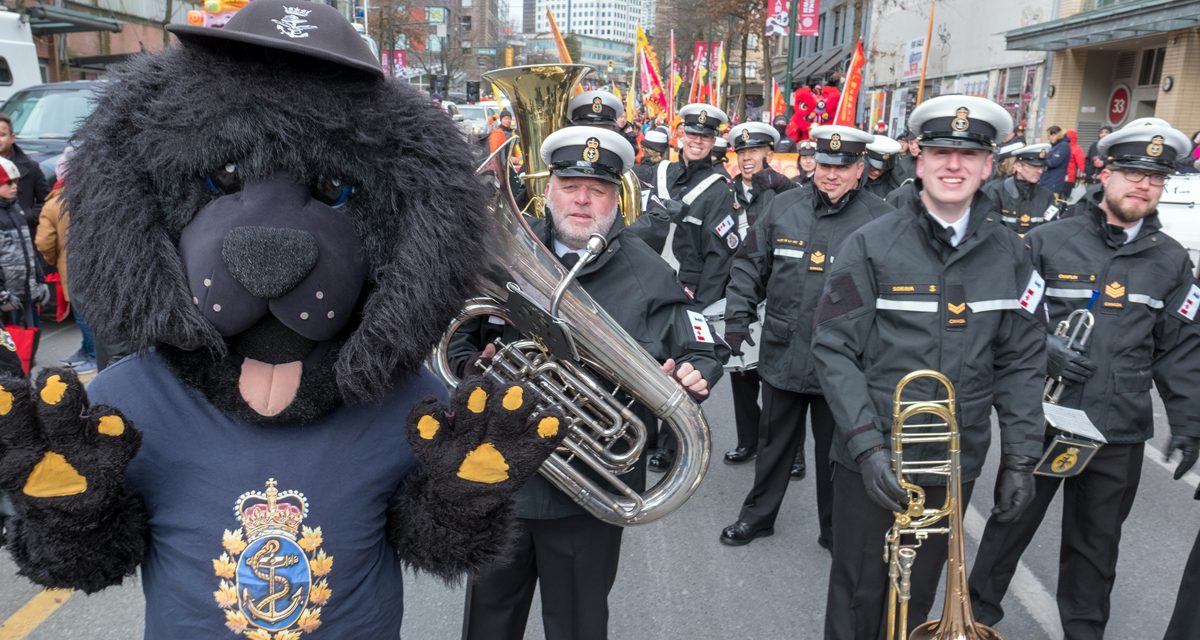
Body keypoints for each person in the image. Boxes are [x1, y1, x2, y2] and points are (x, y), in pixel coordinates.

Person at [457, 125, 725, 640]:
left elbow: (700, 341)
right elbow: (454, 336)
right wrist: (472, 374)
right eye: (570, 185)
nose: (582, 198)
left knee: (578, 626)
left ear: (615, 198)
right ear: (549, 189)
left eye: (597, 189)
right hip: (500, 480)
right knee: (487, 622)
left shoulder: (647, 271)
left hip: (589, 494)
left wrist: (697, 370)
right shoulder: (498, 252)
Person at [812, 95, 1046, 639]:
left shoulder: (1014, 255)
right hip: (872, 457)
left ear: (991, 165)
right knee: (857, 594)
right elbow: (833, 348)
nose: (953, 164)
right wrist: (866, 448)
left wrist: (1021, 457)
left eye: (970, 153)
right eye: (940, 150)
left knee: (916, 596)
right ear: (918, 159)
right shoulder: (869, 244)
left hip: (952, 463)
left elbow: (1022, 362)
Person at [969, 120, 1200, 639]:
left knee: (1096, 547)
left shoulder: (1170, 260)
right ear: (1106, 172)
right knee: (1010, 524)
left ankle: (1084, 631)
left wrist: (1189, 421)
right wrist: (1043, 346)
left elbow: (1182, 347)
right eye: (1134, 173)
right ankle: (973, 619)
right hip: (1045, 419)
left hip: (1119, 428)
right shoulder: (1048, 241)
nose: (1143, 185)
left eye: (1156, 178)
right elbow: (1008, 316)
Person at [719, 124, 892, 550]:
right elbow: (748, 265)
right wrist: (737, 317)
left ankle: (835, 530)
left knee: (836, 455)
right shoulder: (783, 207)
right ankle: (757, 518)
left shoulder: (883, 220)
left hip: (846, 364)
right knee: (773, 444)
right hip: (783, 350)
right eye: (826, 164)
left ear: (861, 169)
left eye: (843, 165)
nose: (831, 174)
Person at [711, 122, 795, 467]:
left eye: (754, 151)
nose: (747, 158)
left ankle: (793, 453)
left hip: (776, 295)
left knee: (780, 385)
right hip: (740, 293)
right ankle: (749, 440)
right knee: (742, 375)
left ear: (769, 154)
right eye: (742, 152)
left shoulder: (784, 192)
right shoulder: (724, 192)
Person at [34, 147, 96, 374]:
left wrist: (53, 259)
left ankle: (92, 355)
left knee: (82, 314)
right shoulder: (93, 196)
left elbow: (44, 242)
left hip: (71, 266)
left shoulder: (54, 203)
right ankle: (86, 349)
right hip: (95, 265)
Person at [0, 155, 47, 372]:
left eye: (16, 182)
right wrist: (2, 296)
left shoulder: (16, 209)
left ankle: (24, 373)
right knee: (8, 347)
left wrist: (40, 280)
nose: (15, 187)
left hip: (26, 291)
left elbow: (28, 249)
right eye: (8, 183)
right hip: (7, 297)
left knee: (29, 338)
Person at [982, 142, 1059, 236]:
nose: (1040, 171)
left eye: (1042, 167)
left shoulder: (1047, 196)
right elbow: (986, 228)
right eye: (1034, 166)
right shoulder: (996, 191)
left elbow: (1051, 228)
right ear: (1018, 166)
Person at [0, 114, 49, 234]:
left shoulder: (31, 168)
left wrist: (27, 216)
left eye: (2, 135)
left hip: (24, 239)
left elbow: (48, 201)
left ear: (12, 138)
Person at [1040, 125, 1072, 201]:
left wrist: (1042, 160)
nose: (1048, 138)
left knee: (1050, 205)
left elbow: (1054, 162)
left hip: (1054, 182)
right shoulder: (1056, 146)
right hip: (1049, 181)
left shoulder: (1063, 146)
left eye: (1049, 136)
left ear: (1054, 134)